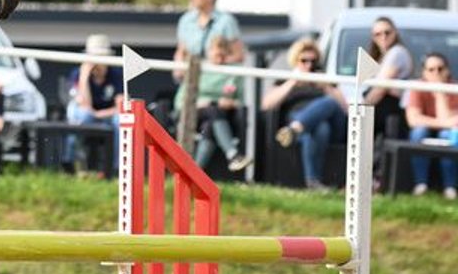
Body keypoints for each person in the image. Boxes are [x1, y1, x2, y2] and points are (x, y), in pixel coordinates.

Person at [265, 37, 347, 191]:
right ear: (295, 61)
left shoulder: (325, 79)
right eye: (304, 61)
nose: (309, 65)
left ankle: (295, 130)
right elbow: (267, 104)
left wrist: (327, 87)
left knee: (329, 103)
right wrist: (292, 83)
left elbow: (344, 107)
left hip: (328, 122)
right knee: (320, 129)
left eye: (313, 61)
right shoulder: (286, 80)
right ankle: (313, 182)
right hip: (299, 118)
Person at [173, 35, 251, 173]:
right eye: (217, 55)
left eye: (223, 55)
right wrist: (201, 103)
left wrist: (231, 103)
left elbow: (241, 101)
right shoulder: (198, 69)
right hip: (193, 113)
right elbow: (180, 102)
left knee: (210, 124)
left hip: (220, 116)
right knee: (213, 110)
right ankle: (232, 154)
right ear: (209, 53)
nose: (220, 59)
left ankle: (194, 173)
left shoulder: (234, 73)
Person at [63, 33, 123, 171]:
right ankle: (71, 164)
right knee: (82, 115)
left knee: (119, 121)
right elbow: (84, 105)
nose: (97, 62)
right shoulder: (78, 73)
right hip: (86, 113)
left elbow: (120, 106)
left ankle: (115, 168)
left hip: (107, 115)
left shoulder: (116, 74)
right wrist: (84, 77)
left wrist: (99, 114)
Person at [404, 52, 458, 199]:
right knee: (418, 132)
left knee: (449, 135)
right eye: (431, 69)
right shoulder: (418, 87)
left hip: (446, 132)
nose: (436, 73)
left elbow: (451, 123)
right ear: (424, 73)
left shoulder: (455, 89)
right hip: (427, 130)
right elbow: (413, 120)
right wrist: (444, 123)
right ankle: (421, 185)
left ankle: (450, 187)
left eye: (440, 69)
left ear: (447, 70)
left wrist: (440, 92)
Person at [173, 0, 245, 81]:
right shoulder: (186, 20)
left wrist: (220, 61)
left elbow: (239, 55)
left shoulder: (226, 21)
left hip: (218, 81)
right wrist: (178, 69)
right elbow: (181, 50)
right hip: (190, 80)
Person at [362, 15, 413, 135]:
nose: (383, 37)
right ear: (373, 37)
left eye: (387, 32)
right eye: (378, 34)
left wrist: (360, 109)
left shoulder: (397, 52)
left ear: (395, 33)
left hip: (389, 113)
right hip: (381, 112)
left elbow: (380, 88)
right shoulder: (381, 56)